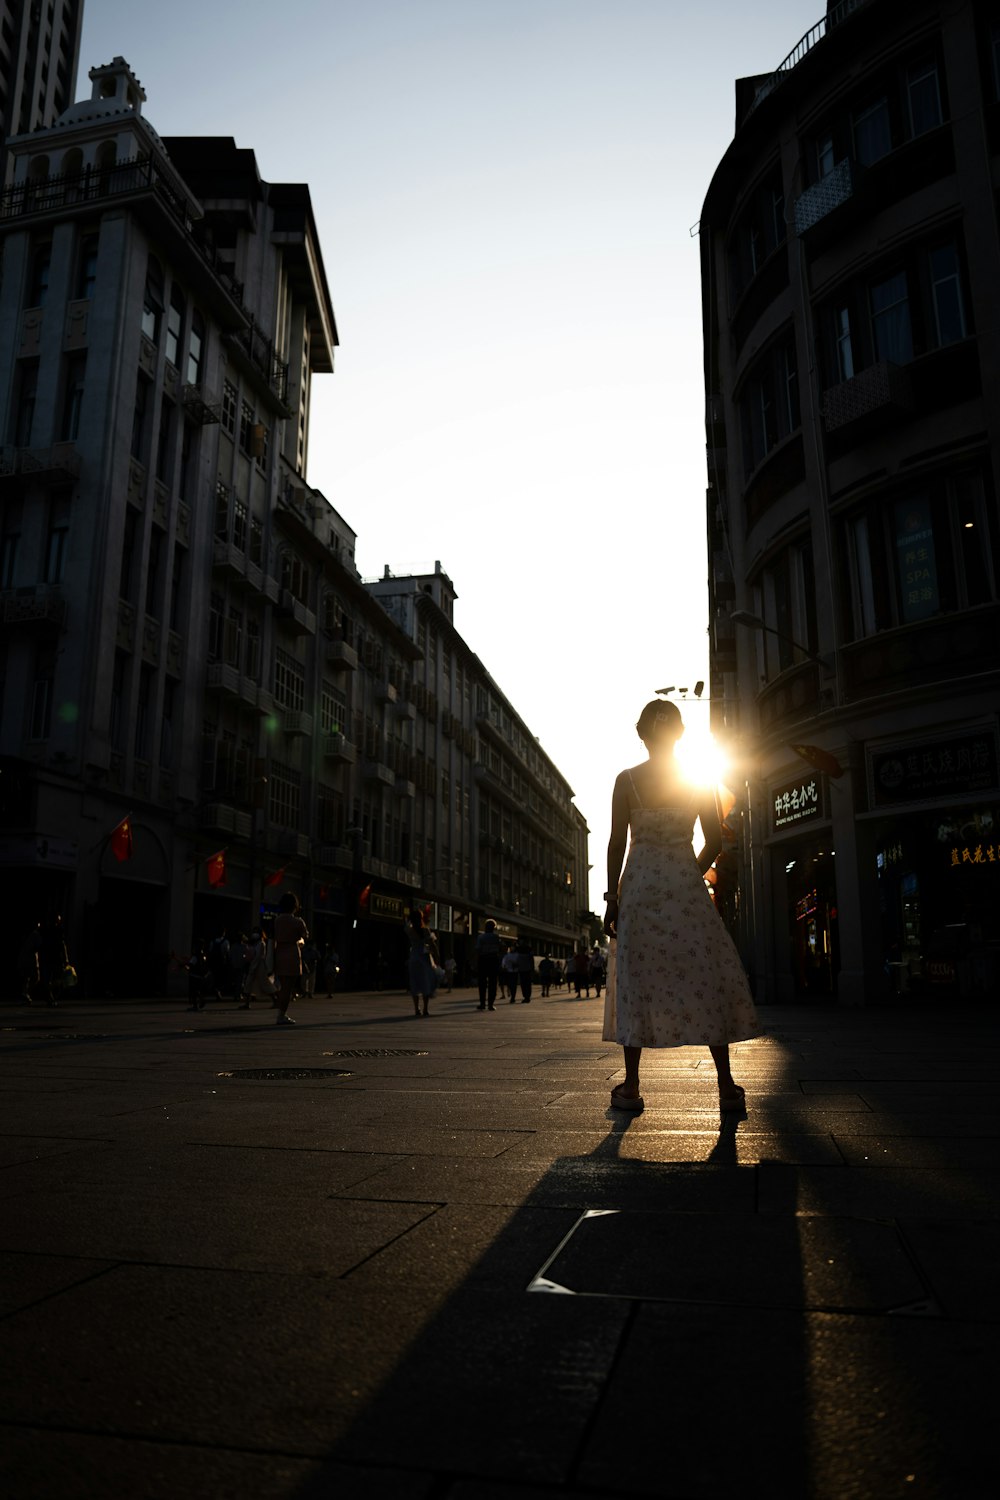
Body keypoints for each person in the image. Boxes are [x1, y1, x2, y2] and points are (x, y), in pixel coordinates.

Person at [603, 699, 760, 1112]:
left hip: (638, 888)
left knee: (636, 978)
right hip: (685, 889)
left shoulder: (627, 780)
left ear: (642, 734)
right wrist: (688, 869)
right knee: (703, 975)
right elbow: (715, 840)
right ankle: (726, 1086)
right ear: (679, 734)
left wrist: (612, 897)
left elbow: (617, 842)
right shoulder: (697, 781)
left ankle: (632, 1086)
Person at [273, 893, 308, 1026]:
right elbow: (305, 935)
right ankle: (281, 1015)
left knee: (283, 985)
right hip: (292, 953)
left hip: (280, 953)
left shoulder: (277, 920)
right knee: (288, 987)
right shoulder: (298, 921)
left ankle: (281, 1013)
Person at [406, 909, 438, 1017]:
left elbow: (406, 925)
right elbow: (432, 944)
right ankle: (425, 1009)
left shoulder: (409, 930)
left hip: (414, 958)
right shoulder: (425, 930)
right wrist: (436, 955)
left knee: (415, 983)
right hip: (424, 958)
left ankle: (416, 1009)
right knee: (425, 983)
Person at [475, 919, 501, 1010]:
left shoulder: (481, 937)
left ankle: (482, 1003)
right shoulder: (496, 937)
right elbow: (500, 949)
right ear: (493, 928)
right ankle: (490, 1004)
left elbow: (478, 949)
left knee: (482, 983)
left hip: (483, 959)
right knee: (493, 982)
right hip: (493, 959)